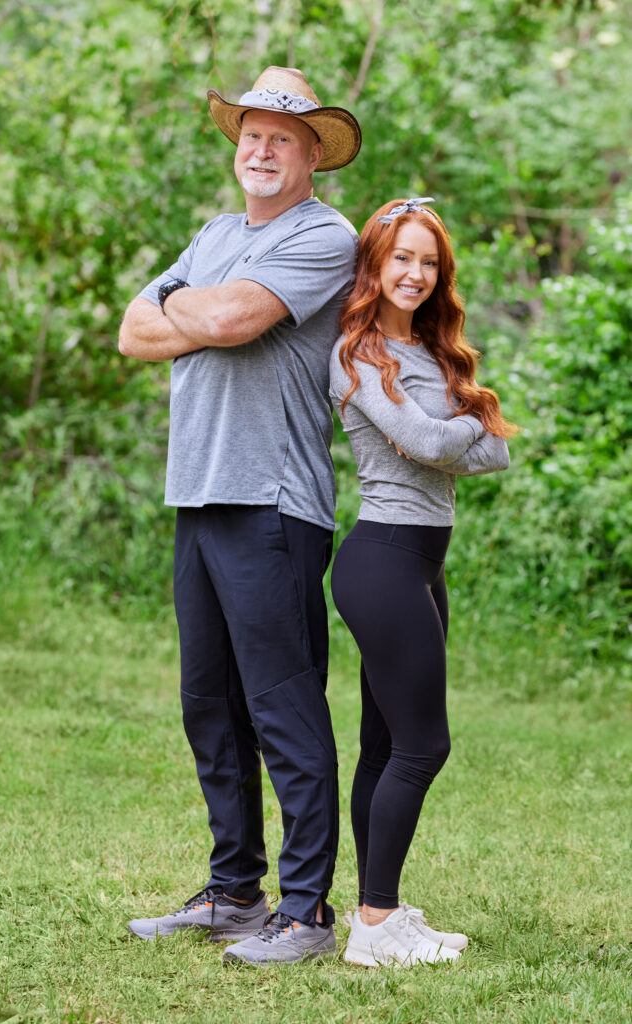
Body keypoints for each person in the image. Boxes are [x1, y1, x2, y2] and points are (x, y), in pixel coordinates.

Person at [118, 66, 361, 965]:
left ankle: (304, 911)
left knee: (281, 706)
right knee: (209, 708)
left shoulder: (324, 236)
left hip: (273, 501)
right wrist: (194, 311)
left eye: (282, 139)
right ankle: (232, 893)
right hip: (199, 494)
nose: (261, 150)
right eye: (251, 135)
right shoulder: (216, 233)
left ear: (311, 157)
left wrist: (182, 307)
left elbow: (224, 318)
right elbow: (130, 331)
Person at [329, 197, 517, 968]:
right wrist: (475, 419)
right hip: (381, 561)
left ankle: (379, 912)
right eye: (399, 257)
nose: (413, 273)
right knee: (422, 745)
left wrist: (456, 431)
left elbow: (481, 456)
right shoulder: (356, 354)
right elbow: (424, 439)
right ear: (373, 265)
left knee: (382, 745)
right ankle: (373, 928)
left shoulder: (435, 355)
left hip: (422, 566)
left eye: (427, 261)